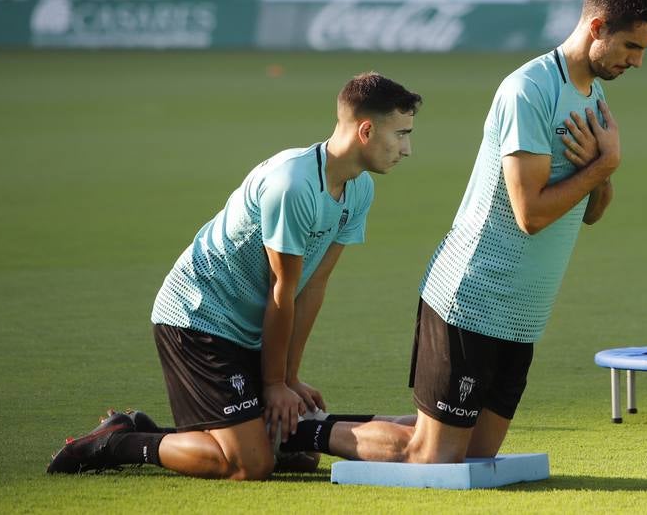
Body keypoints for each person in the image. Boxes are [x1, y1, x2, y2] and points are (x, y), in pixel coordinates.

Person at [330, 0, 647, 464]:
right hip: (474, 295)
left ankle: (330, 427)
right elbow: (529, 214)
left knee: (474, 453)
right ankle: (303, 432)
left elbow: (592, 212)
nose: (637, 62)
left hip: (524, 311)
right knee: (434, 456)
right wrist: (606, 164)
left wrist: (602, 171)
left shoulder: (594, 97)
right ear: (597, 28)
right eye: (632, 47)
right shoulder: (528, 90)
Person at [47, 73, 423, 478]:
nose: (407, 149)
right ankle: (119, 441)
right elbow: (284, 288)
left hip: (249, 328)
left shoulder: (360, 189)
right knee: (249, 464)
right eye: (400, 134)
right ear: (366, 130)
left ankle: (209, 428)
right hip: (197, 318)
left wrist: (289, 378)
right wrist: (274, 384)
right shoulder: (292, 185)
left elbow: (313, 286)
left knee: (298, 455)